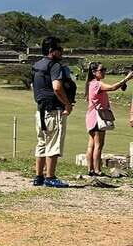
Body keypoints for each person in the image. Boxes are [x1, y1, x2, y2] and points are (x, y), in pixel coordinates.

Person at [32, 37, 77, 187]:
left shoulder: (37, 65)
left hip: (40, 110)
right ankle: (50, 177)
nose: (62, 53)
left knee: (41, 143)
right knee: (53, 144)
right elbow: (57, 87)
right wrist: (67, 104)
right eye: (60, 50)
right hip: (54, 110)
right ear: (52, 51)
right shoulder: (55, 66)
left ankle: (38, 176)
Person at [84, 62, 132, 176]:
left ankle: (90, 169)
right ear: (94, 72)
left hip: (91, 117)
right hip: (98, 117)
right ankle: (97, 170)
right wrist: (127, 78)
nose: (104, 72)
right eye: (102, 70)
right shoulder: (97, 84)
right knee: (99, 145)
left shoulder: (91, 84)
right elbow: (113, 87)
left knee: (91, 144)